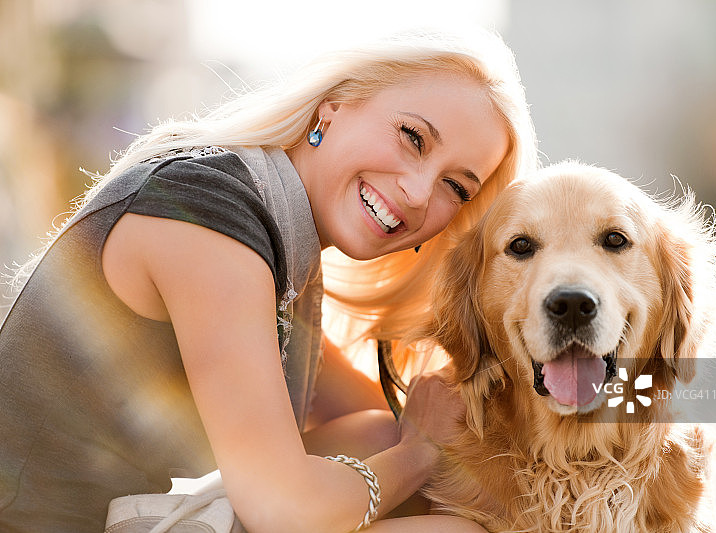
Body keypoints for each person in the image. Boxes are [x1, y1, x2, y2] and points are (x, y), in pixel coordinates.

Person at [0, 27, 536, 533]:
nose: (420, 193)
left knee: (378, 434)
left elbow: (410, 412)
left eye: (456, 188)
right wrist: (417, 455)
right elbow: (285, 509)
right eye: (412, 137)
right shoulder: (208, 219)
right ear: (336, 105)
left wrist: (611, 388)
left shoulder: (280, 250)